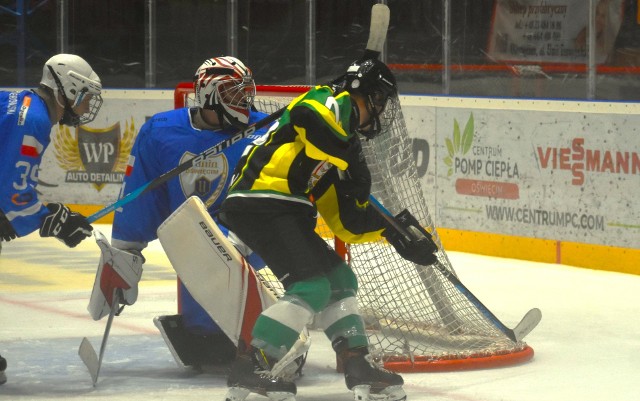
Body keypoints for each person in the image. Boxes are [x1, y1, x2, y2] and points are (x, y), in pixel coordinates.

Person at [218, 58, 438, 401]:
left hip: (285, 207)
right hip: (260, 199)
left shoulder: (342, 147)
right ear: (356, 91)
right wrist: (349, 159)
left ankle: (357, 364)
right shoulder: (329, 100)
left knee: (340, 281)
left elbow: (347, 222)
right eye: (376, 100)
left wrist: (393, 232)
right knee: (310, 286)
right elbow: (308, 119)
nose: (379, 110)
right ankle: (251, 366)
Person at [104, 56, 269, 368]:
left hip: (252, 233)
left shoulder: (264, 131)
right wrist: (124, 255)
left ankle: (270, 331)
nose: (245, 101)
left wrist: (243, 238)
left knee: (222, 256)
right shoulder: (161, 131)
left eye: (247, 93)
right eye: (235, 93)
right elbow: (142, 197)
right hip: (193, 241)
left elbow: (275, 192)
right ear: (210, 94)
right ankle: (207, 334)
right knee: (197, 249)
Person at [0, 53, 102, 384]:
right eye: (85, 96)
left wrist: (52, 215)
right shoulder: (34, 121)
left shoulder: (20, 103)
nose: (87, 107)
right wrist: (54, 220)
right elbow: (12, 195)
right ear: (67, 91)